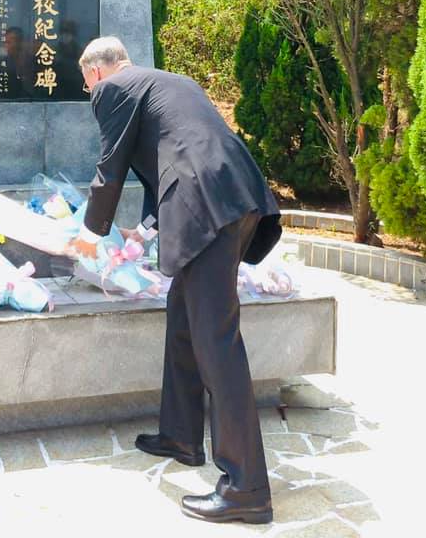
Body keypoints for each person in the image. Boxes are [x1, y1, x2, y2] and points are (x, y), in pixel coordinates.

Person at [69, 36, 282, 525]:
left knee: (217, 342)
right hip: (235, 198)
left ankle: (247, 488)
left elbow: (111, 166)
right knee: (184, 317)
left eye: (86, 85)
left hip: (206, 207)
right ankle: (181, 435)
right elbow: (167, 164)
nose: (90, 94)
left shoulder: (111, 89)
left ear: (95, 72)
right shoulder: (167, 83)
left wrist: (89, 234)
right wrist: (143, 231)